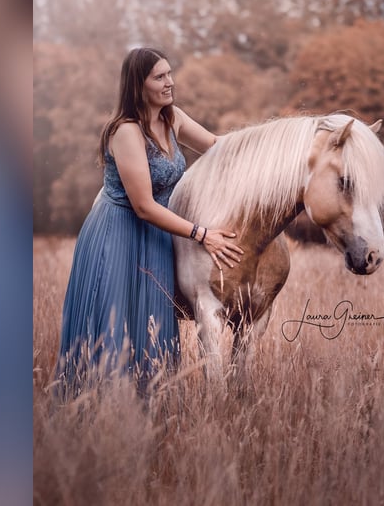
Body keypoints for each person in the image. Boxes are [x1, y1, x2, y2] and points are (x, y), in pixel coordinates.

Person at [56, 47, 244, 397]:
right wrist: (203, 235)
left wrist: (271, 149)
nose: (170, 82)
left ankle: (148, 415)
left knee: (152, 326)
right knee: (115, 329)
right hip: (120, 233)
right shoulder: (126, 132)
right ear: (137, 85)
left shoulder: (173, 118)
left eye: (170, 73)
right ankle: (100, 416)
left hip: (157, 235)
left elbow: (218, 147)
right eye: (159, 77)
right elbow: (143, 206)